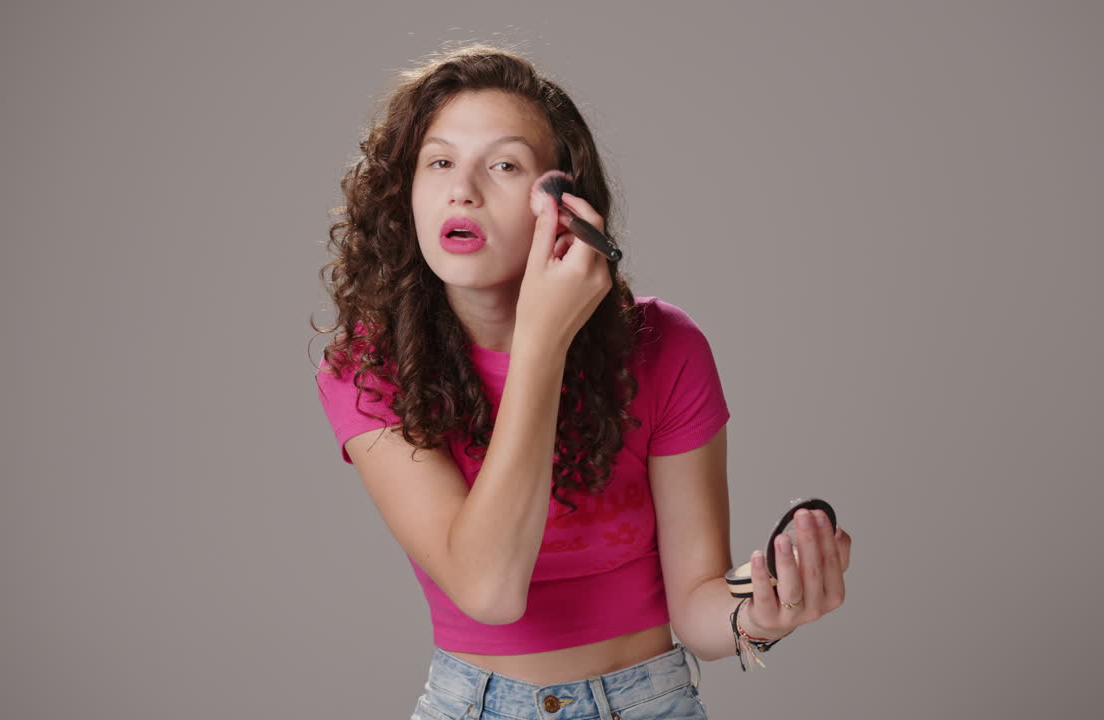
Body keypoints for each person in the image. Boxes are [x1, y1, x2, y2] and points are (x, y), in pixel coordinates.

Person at [313, 43, 852, 720]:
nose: (462, 189)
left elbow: (699, 610)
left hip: (651, 701)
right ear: (406, 193)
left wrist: (766, 613)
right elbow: (489, 589)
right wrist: (543, 338)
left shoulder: (665, 347)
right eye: (439, 161)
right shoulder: (370, 365)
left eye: (504, 164)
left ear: (564, 202)